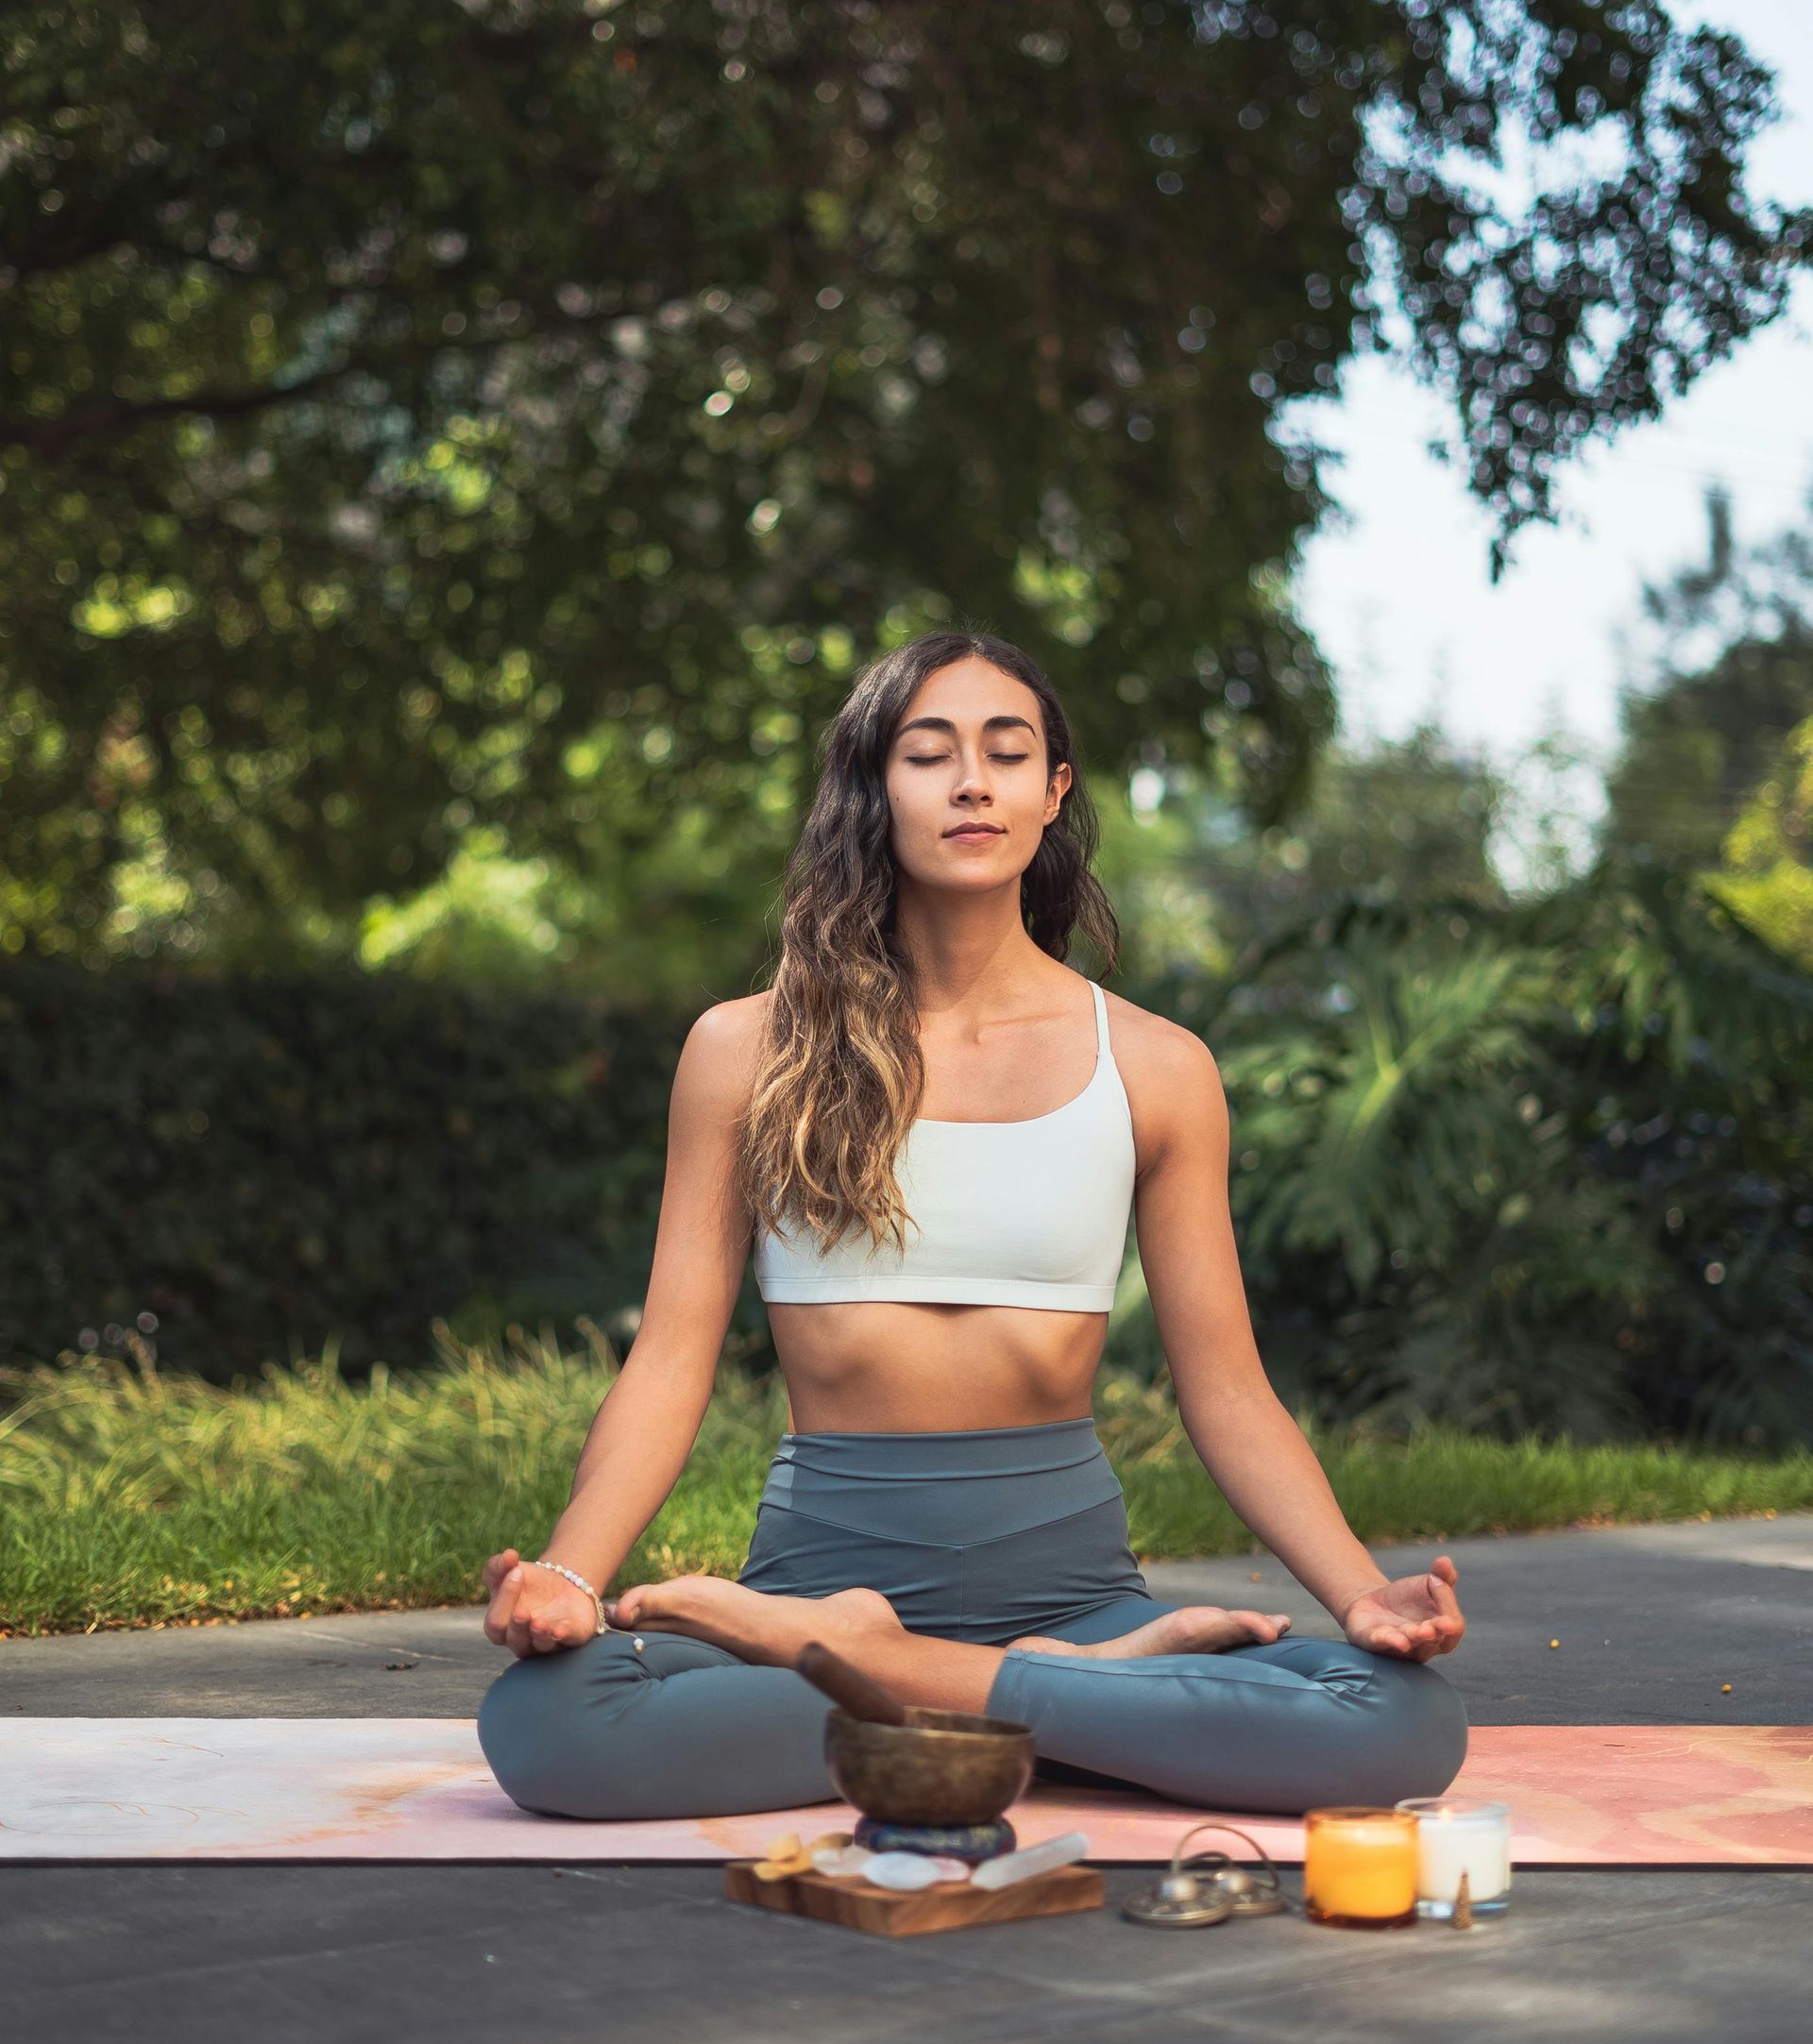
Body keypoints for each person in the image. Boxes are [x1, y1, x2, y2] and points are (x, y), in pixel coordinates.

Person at [476, 632, 1467, 1822]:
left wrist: (1362, 1598)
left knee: (1408, 1722)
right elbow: (673, 1356)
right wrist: (570, 1576)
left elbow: (1230, 1391)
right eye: (928, 753)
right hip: (817, 1575)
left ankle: (916, 1673)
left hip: (1068, 1597)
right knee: (545, 1727)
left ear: (1053, 793)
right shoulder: (747, 1050)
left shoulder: (1155, 1067)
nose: (970, 783)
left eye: (1009, 753)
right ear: (873, 785)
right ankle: (1078, 1706)